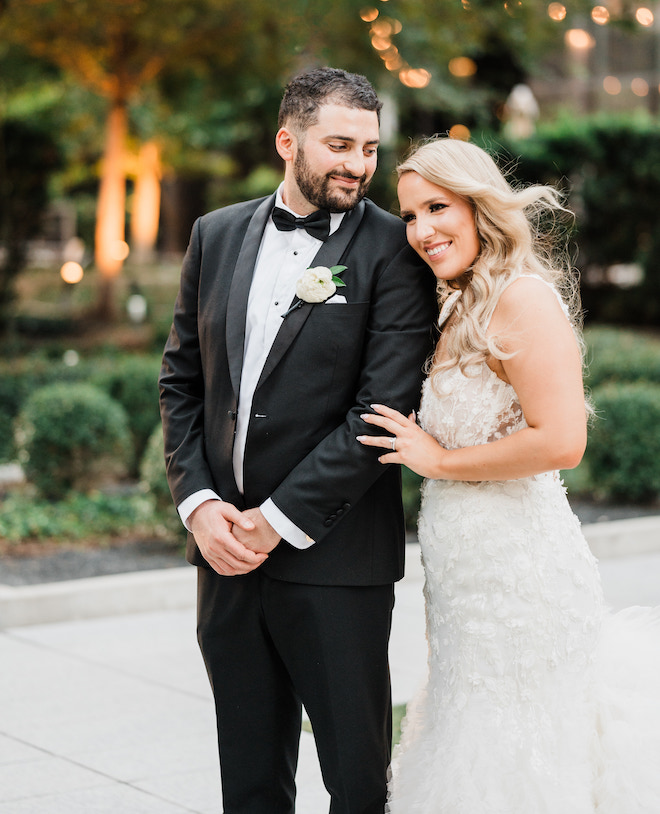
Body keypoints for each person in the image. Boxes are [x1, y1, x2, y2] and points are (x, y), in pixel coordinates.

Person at [158, 67, 436, 814]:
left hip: (335, 563)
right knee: (248, 779)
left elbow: (382, 413)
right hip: (223, 561)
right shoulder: (214, 235)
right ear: (289, 139)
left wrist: (273, 522)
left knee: (355, 780)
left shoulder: (397, 252)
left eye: (370, 149)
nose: (357, 164)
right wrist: (200, 506)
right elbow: (182, 382)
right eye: (339, 144)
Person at [358, 136, 660, 813]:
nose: (422, 230)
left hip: (522, 574)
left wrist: (439, 462)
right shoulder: (453, 304)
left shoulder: (522, 299)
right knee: (471, 723)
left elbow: (562, 440)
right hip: (462, 574)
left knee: (525, 735)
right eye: (408, 216)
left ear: (479, 206)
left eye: (437, 207)